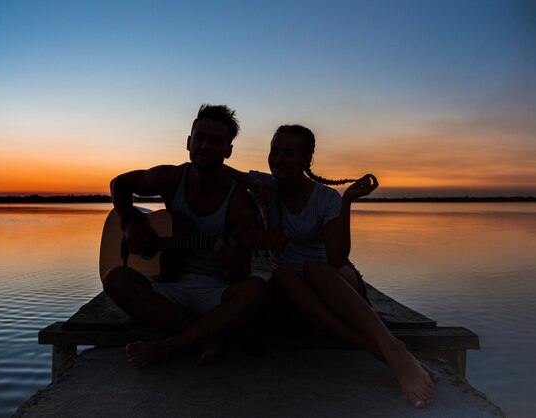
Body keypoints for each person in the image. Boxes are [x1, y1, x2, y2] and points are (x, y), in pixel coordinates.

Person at [227, 124, 438, 408]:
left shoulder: (325, 197)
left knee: (314, 267)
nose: (278, 159)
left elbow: (337, 259)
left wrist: (347, 201)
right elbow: (221, 171)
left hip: (334, 280)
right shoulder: (267, 185)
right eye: (274, 151)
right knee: (282, 274)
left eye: (289, 153)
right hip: (295, 289)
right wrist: (251, 183)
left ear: (306, 160)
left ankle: (392, 347)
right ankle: (383, 352)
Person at [102, 104, 270, 369]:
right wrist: (130, 222)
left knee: (257, 291)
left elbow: (240, 275)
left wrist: (229, 261)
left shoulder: (240, 202)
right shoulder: (171, 177)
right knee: (115, 279)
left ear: (228, 150)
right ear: (189, 142)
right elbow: (119, 184)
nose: (205, 146)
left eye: (216, 140)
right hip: (168, 284)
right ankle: (206, 335)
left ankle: (171, 344)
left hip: (215, 291)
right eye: (200, 137)